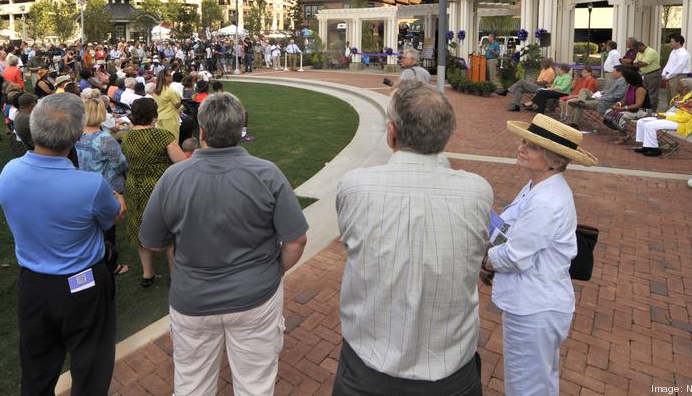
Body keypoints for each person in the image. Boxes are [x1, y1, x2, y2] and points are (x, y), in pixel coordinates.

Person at [140, 92, 308, 396]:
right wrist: (273, 271)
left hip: (194, 298)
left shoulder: (173, 177)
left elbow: (151, 241)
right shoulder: (267, 173)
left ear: (201, 133)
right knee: (255, 385)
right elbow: (295, 241)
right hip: (255, 296)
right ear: (240, 131)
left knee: (192, 385)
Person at [333, 81, 491, 395]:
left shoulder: (355, 186)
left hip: (367, 370)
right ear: (446, 136)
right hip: (451, 373)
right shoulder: (477, 192)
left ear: (391, 133)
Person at [0, 93, 122, 396]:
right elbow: (111, 217)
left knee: (37, 371)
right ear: (78, 135)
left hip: (34, 286)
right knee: (91, 368)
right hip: (84, 286)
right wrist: (119, 202)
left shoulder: (9, 171)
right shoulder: (90, 186)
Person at [482, 114, 596, 396]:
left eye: (532, 146)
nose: (521, 147)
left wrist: (485, 262)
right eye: (525, 141)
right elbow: (511, 232)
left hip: (535, 308)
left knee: (526, 387)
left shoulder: (546, 200)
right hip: (538, 304)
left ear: (555, 160)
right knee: (540, 382)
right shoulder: (539, 186)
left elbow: (516, 256)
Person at [122, 97, 186, 287]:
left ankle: (147, 274)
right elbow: (182, 163)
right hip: (160, 187)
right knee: (170, 231)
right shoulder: (163, 136)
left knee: (140, 226)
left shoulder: (127, 136)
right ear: (154, 115)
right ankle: (175, 274)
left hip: (133, 186)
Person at [75, 97, 129, 276]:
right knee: (108, 226)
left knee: (92, 223)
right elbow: (120, 164)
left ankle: (95, 255)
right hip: (108, 187)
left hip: (85, 183)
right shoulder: (105, 139)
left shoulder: (77, 135)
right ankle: (111, 264)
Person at [634, 80, 692, 157]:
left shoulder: (690, 100)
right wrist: (657, 114)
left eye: (679, 85)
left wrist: (666, 117)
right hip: (669, 118)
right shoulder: (677, 97)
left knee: (649, 125)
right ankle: (646, 146)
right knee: (641, 121)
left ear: (685, 88)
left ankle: (654, 149)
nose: (676, 86)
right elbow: (669, 111)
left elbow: (684, 118)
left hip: (680, 123)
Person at [604, 68, 649, 139]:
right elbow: (625, 100)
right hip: (631, 109)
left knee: (619, 115)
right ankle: (623, 132)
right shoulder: (629, 87)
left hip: (641, 111)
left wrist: (623, 108)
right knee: (608, 112)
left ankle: (625, 134)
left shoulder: (640, 89)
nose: (624, 80)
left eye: (625, 78)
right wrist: (618, 104)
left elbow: (638, 105)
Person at [661, 34, 691, 111]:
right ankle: (669, 109)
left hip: (678, 76)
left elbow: (679, 67)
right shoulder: (673, 51)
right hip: (670, 75)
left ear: (678, 42)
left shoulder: (684, 54)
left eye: (672, 41)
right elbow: (669, 63)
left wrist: (668, 76)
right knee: (669, 95)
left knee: (676, 95)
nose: (670, 43)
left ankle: (675, 111)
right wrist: (664, 73)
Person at [153, 69, 182, 137]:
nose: (171, 77)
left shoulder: (156, 90)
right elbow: (177, 105)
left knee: (162, 139)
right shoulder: (170, 91)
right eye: (169, 75)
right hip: (170, 118)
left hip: (160, 117)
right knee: (172, 139)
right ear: (165, 77)